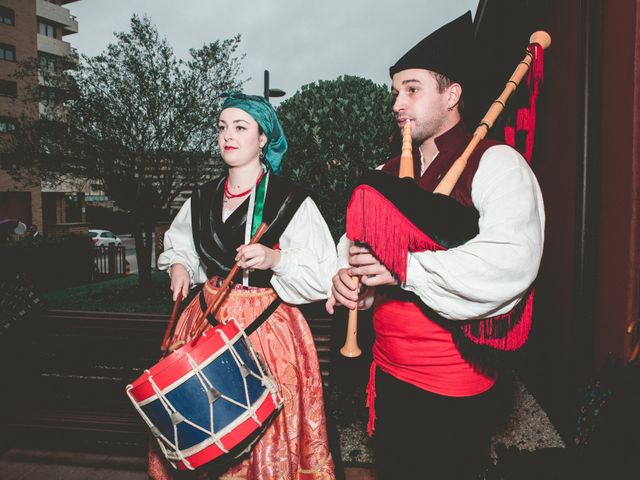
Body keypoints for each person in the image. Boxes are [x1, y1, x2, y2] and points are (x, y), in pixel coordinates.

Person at [327, 11, 545, 480]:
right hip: (386, 373)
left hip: (453, 384)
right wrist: (352, 286)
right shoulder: (386, 176)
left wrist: (406, 269)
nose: (397, 104)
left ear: (452, 95)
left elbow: (511, 260)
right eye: (395, 93)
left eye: (412, 89)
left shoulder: (496, 163)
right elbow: (355, 254)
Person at [153, 92, 337, 480]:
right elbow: (180, 246)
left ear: (263, 138)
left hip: (267, 331)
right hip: (204, 320)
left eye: (240, 127)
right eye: (222, 128)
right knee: (202, 428)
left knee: (263, 439)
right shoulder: (201, 197)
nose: (227, 136)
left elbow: (324, 273)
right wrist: (180, 267)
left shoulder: (291, 199)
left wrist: (276, 259)